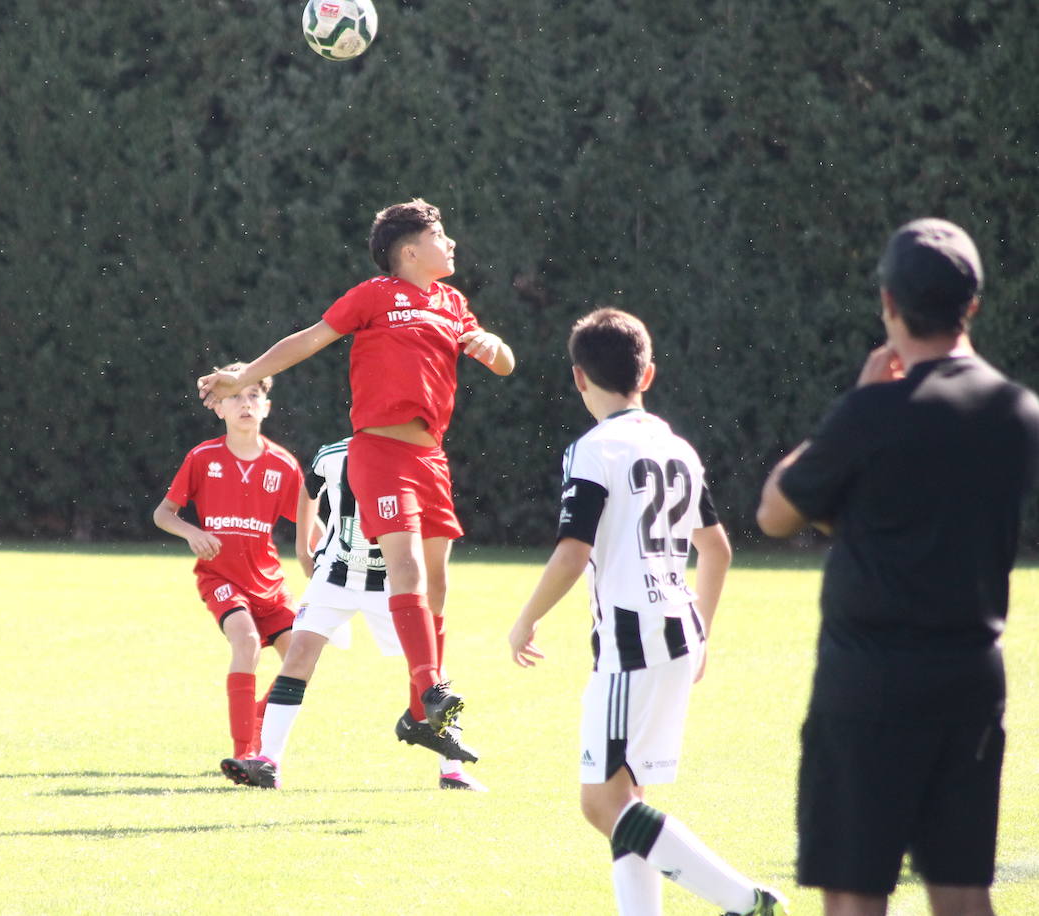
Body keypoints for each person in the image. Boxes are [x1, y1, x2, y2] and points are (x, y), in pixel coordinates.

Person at [757, 218, 1039, 916]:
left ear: (888, 303)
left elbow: (775, 513)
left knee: (855, 890)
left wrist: (854, 403)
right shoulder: (1017, 413)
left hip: (870, 683)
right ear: (972, 304)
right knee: (963, 888)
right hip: (971, 677)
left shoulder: (870, 415)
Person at [198, 199, 515, 755]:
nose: (453, 244)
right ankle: (433, 689)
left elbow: (506, 364)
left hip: (430, 459)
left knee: (437, 585)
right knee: (408, 566)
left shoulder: (452, 302)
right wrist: (242, 376)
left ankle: (421, 716)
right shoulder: (374, 295)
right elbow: (308, 339)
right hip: (380, 452)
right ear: (411, 250)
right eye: (442, 236)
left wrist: (495, 348)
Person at [509, 308, 786, 916]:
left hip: (631, 644)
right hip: (679, 633)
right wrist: (704, 634)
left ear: (579, 378)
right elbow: (716, 549)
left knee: (601, 804)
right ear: (648, 373)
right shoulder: (675, 445)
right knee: (625, 795)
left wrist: (525, 617)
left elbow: (570, 551)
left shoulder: (593, 449)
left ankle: (749, 901)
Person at [220, 437, 485, 790]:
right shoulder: (332, 453)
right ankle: (267, 762)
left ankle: (452, 770)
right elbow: (308, 489)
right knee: (298, 655)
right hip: (335, 574)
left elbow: (433, 520)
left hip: (393, 581)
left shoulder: (415, 455)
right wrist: (303, 546)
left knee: (429, 667)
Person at [153, 363, 304, 765]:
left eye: (254, 395)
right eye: (235, 396)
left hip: (269, 581)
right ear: (218, 408)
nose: (245, 403)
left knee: (301, 656)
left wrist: (333, 558)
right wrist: (191, 532)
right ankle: (245, 752)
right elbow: (163, 513)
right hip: (220, 576)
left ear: (267, 408)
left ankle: (257, 715)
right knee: (247, 641)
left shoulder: (283, 464)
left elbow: (310, 525)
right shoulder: (202, 458)